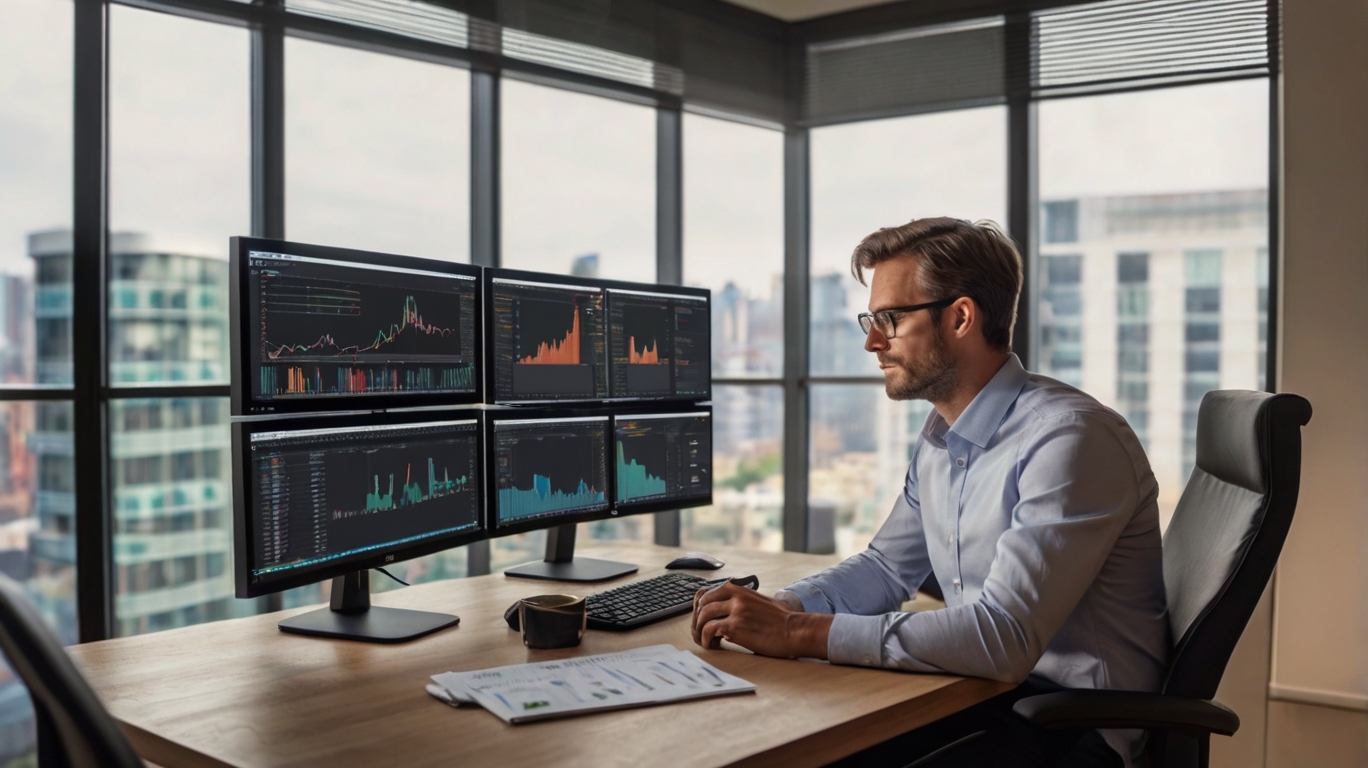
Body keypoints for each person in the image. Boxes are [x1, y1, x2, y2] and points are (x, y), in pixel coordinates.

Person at [691, 217, 1168, 768]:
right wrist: (784, 606)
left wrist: (796, 632)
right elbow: (887, 568)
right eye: (871, 320)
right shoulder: (942, 436)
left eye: (890, 319)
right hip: (989, 696)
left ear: (961, 317)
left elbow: (1003, 637)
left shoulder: (1067, 438)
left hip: (1075, 728)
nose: (872, 341)